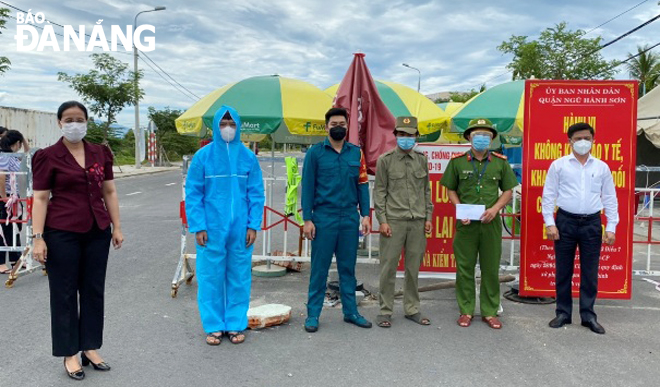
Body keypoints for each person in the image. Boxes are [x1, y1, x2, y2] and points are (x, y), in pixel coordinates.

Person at [32, 101, 124, 380]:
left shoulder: (100, 152)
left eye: (79, 119)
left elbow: (109, 191)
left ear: (87, 121)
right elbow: (40, 197)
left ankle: (90, 347)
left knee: (93, 290)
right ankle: (69, 353)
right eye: (69, 119)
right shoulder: (47, 156)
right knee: (64, 293)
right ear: (59, 123)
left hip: (98, 230)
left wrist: (117, 227)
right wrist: (38, 238)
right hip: (62, 232)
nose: (75, 124)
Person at [185, 106, 264, 346]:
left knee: (239, 276)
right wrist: (198, 225)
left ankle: (235, 323)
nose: (227, 128)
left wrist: (253, 225)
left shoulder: (248, 157)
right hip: (211, 227)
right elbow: (193, 194)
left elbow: (256, 194)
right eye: (223, 123)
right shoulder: (203, 157)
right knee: (210, 276)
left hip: (240, 228)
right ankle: (214, 325)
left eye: (231, 123)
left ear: (238, 126)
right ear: (215, 126)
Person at [440, 118, 518, 330]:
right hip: (466, 224)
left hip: (490, 222)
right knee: (464, 268)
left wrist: (495, 209)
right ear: (469, 138)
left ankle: (490, 311)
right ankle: (466, 310)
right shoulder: (457, 162)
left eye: (486, 135)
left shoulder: (500, 163)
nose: (481, 139)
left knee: (490, 268)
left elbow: (509, 191)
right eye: (477, 135)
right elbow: (451, 189)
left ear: (492, 139)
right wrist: (458, 209)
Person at [542, 122, 618, 335]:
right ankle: (563, 313)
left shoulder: (601, 167)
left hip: (592, 223)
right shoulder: (559, 165)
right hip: (565, 221)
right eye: (578, 139)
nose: (582, 142)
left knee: (590, 272)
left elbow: (610, 198)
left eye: (587, 138)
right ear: (569, 141)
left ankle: (588, 315)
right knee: (563, 270)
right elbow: (548, 195)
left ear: (594, 140)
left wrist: (611, 226)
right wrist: (550, 223)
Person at [301, 107, 372, 332]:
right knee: (319, 269)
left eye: (342, 123)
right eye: (334, 124)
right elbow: (308, 188)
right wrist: (307, 219)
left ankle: (350, 312)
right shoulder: (315, 153)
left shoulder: (356, 153)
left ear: (348, 126)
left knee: (347, 269)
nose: (338, 127)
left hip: (349, 219)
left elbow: (362, 184)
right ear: (326, 127)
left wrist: (366, 215)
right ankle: (313, 314)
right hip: (324, 218)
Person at [373, 116, 434, 328]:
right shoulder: (385, 160)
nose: (405, 138)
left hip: (417, 221)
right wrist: (382, 220)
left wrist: (428, 217)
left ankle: (412, 309)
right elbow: (379, 192)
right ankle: (385, 310)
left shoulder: (421, 159)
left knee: (413, 269)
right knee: (388, 268)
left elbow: (426, 191)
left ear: (416, 136)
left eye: (409, 135)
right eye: (401, 135)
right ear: (395, 136)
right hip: (393, 222)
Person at [0, 130, 29, 274]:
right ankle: (3, 263)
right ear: (15, 143)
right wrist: (3, 196)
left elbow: (28, 153)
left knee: (15, 228)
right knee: (5, 229)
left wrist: (22, 138)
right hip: (7, 198)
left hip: (14, 197)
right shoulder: (4, 155)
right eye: (19, 143)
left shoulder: (14, 156)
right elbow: (1, 175)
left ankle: (15, 259)